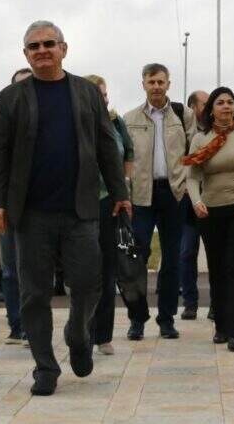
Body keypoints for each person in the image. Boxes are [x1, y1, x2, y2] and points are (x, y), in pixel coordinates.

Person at [0, 20, 129, 396]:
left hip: (80, 210)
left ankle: (78, 336)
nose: (42, 50)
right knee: (34, 294)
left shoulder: (85, 92)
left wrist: (119, 191)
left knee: (87, 286)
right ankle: (45, 367)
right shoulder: (10, 97)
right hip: (30, 215)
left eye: (49, 43)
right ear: (25, 55)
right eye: (34, 46)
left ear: (64, 48)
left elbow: (105, 146)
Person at [185, 87, 234, 352]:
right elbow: (193, 177)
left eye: (230, 102)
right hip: (210, 212)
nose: (227, 107)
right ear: (212, 110)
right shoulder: (200, 140)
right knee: (217, 270)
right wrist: (196, 201)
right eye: (221, 103)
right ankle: (219, 326)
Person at [123, 64, 196, 340]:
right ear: (143, 84)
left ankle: (167, 318)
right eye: (151, 81)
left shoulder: (183, 115)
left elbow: (194, 151)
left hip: (174, 194)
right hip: (141, 195)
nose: (156, 86)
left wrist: (187, 183)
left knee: (172, 259)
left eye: (161, 82)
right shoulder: (130, 119)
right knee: (137, 258)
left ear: (168, 84)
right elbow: (125, 159)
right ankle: (137, 319)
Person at [84, 75, 135, 355]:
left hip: (109, 203)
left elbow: (128, 152)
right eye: (96, 94)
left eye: (104, 94)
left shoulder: (116, 123)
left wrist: (123, 190)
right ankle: (82, 330)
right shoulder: (74, 122)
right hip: (79, 204)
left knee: (107, 270)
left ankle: (103, 335)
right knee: (83, 272)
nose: (102, 99)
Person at [0, 68, 33, 345]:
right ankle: (16, 324)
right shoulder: (2, 123)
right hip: (9, 207)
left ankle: (35, 324)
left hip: (42, 207)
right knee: (10, 268)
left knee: (36, 268)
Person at [179, 89, 208, 321]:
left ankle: (217, 305)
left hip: (215, 202)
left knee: (216, 254)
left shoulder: (218, 132)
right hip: (188, 204)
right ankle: (190, 303)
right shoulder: (183, 132)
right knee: (187, 253)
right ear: (193, 107)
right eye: (205, 103)